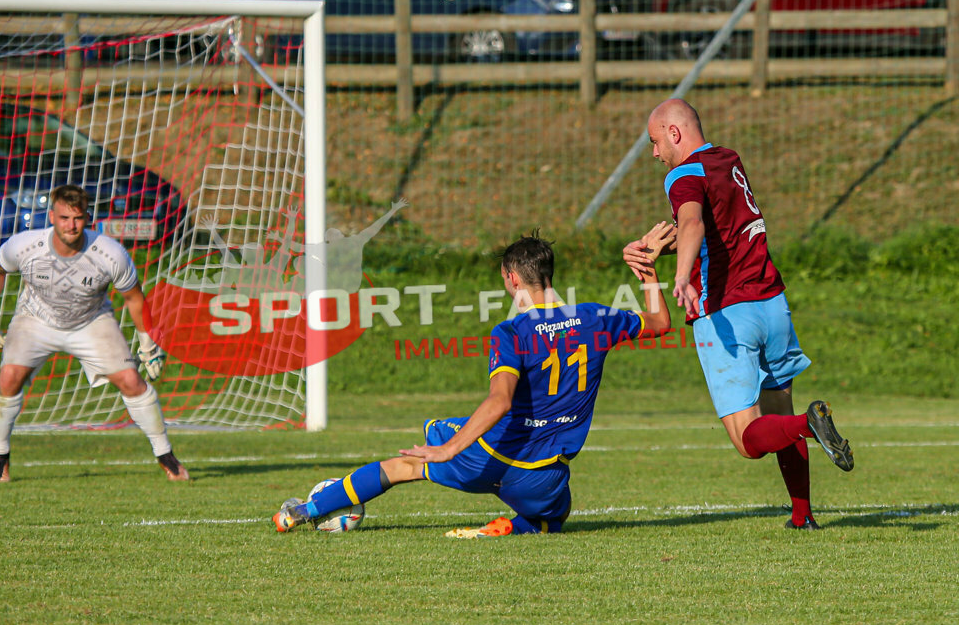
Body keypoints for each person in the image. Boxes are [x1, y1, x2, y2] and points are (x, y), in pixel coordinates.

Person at [274, 226, 673, 537]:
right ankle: (519, 525)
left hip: (488, 460)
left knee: (407, 462)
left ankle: (301, 511)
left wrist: (448, 449)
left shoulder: (512, 332)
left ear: (512, 278)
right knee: (555, 515)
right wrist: (647, 268)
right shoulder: (594, 318)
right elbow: (660, 323)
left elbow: (499, 401)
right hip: (545, 477)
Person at [624, 98, 853, 530]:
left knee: (749, 440)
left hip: (727, 312)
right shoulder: (727, 159)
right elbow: (714, 226)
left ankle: (810, 422)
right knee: (777, 415)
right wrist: (662, 244)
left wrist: (681, 276)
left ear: (674, 133)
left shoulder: (681, 174)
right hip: (772, 304)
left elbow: (692, 223)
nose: (655, 154)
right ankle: (802, 517)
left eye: (655, 142)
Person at [0, 184, 189, 483]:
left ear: (87, 218)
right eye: (64, 217)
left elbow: (134, 298)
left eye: (77, 218)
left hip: (92, 322)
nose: (70, 225)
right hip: (35, 320)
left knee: (132, 381)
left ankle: (167, 457)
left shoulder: (110, 253)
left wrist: (147, 343)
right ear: (51, 216)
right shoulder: (23, 245)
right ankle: (0, 460)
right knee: (8, 379)